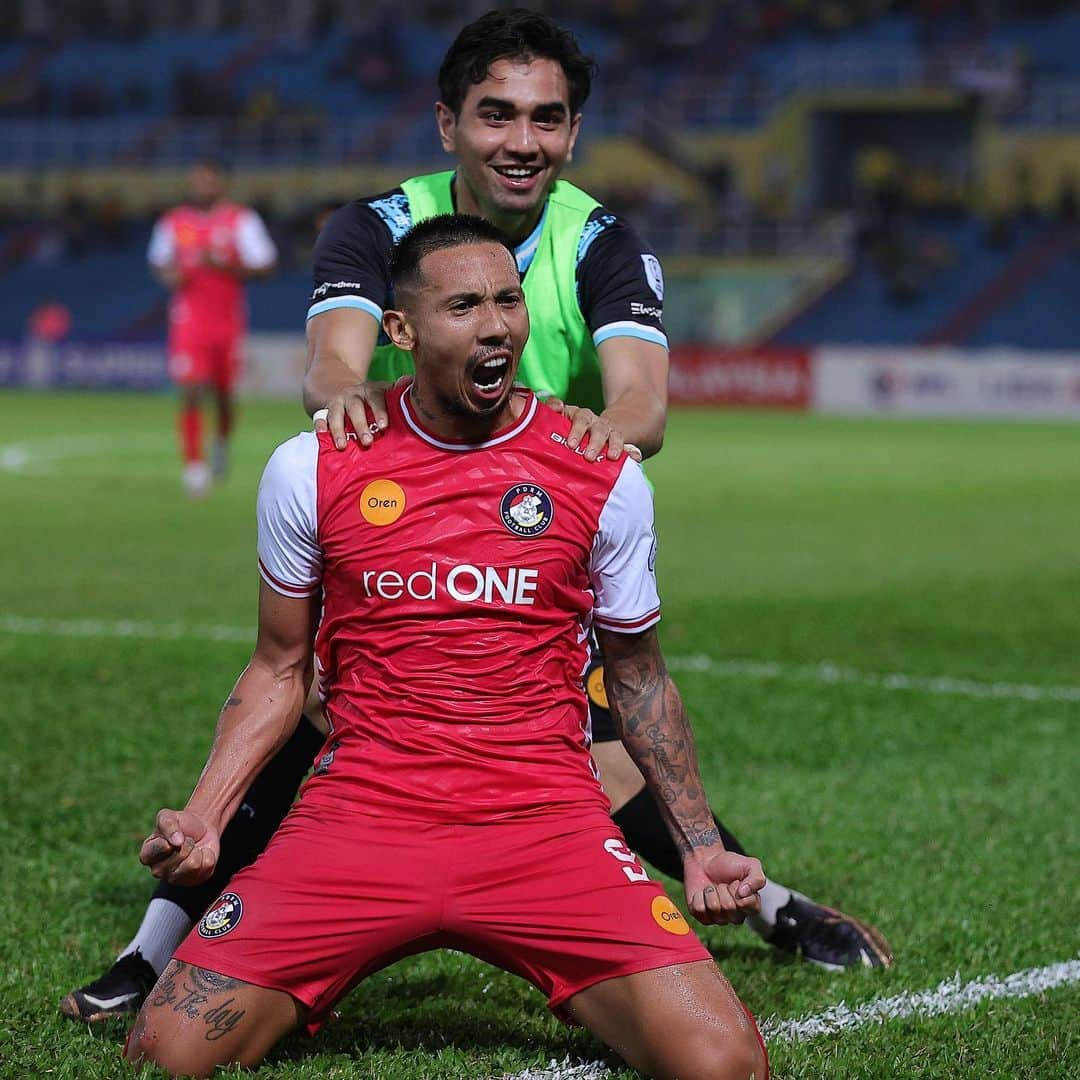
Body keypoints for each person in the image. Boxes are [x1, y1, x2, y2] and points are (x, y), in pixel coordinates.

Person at [61, 8, 888, 1026]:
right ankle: (158, 943)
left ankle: (758, 898)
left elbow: (644, 402)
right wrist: (345, 399)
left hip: (540, 532)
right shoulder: (374, 226)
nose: (522, 142)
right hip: (399, 522)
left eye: (547, 119)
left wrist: (597, 442)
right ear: (447, 120)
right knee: (316, 692)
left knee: (602, 747)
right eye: (497, 115)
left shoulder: (599, 242)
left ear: (574, 134)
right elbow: (333, 367)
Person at [124, 215, 770, 1080]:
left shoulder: (599, 469)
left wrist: (696, 843)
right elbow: (282, 666)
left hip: (544, 824)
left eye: (509, 300)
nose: (497, 323)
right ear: (401, 331)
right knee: (165, 1054)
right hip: (361, 818)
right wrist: (205, 817)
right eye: (464, 304)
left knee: (724, 1063)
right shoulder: (313, 466)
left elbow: (639, 675)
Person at [147, 159, 277, 497]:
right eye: (196, 179)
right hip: (188, 320)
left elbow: (266, 265)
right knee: (190, 391)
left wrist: (227, 265)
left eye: (207, 179)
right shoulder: (174, 222)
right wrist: (170, 275)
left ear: (220, 183)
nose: (201, 185)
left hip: (227, 320)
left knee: (223, 394)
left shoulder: (240, 220)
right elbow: (159, 263)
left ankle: (220, 442)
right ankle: (194, 466)